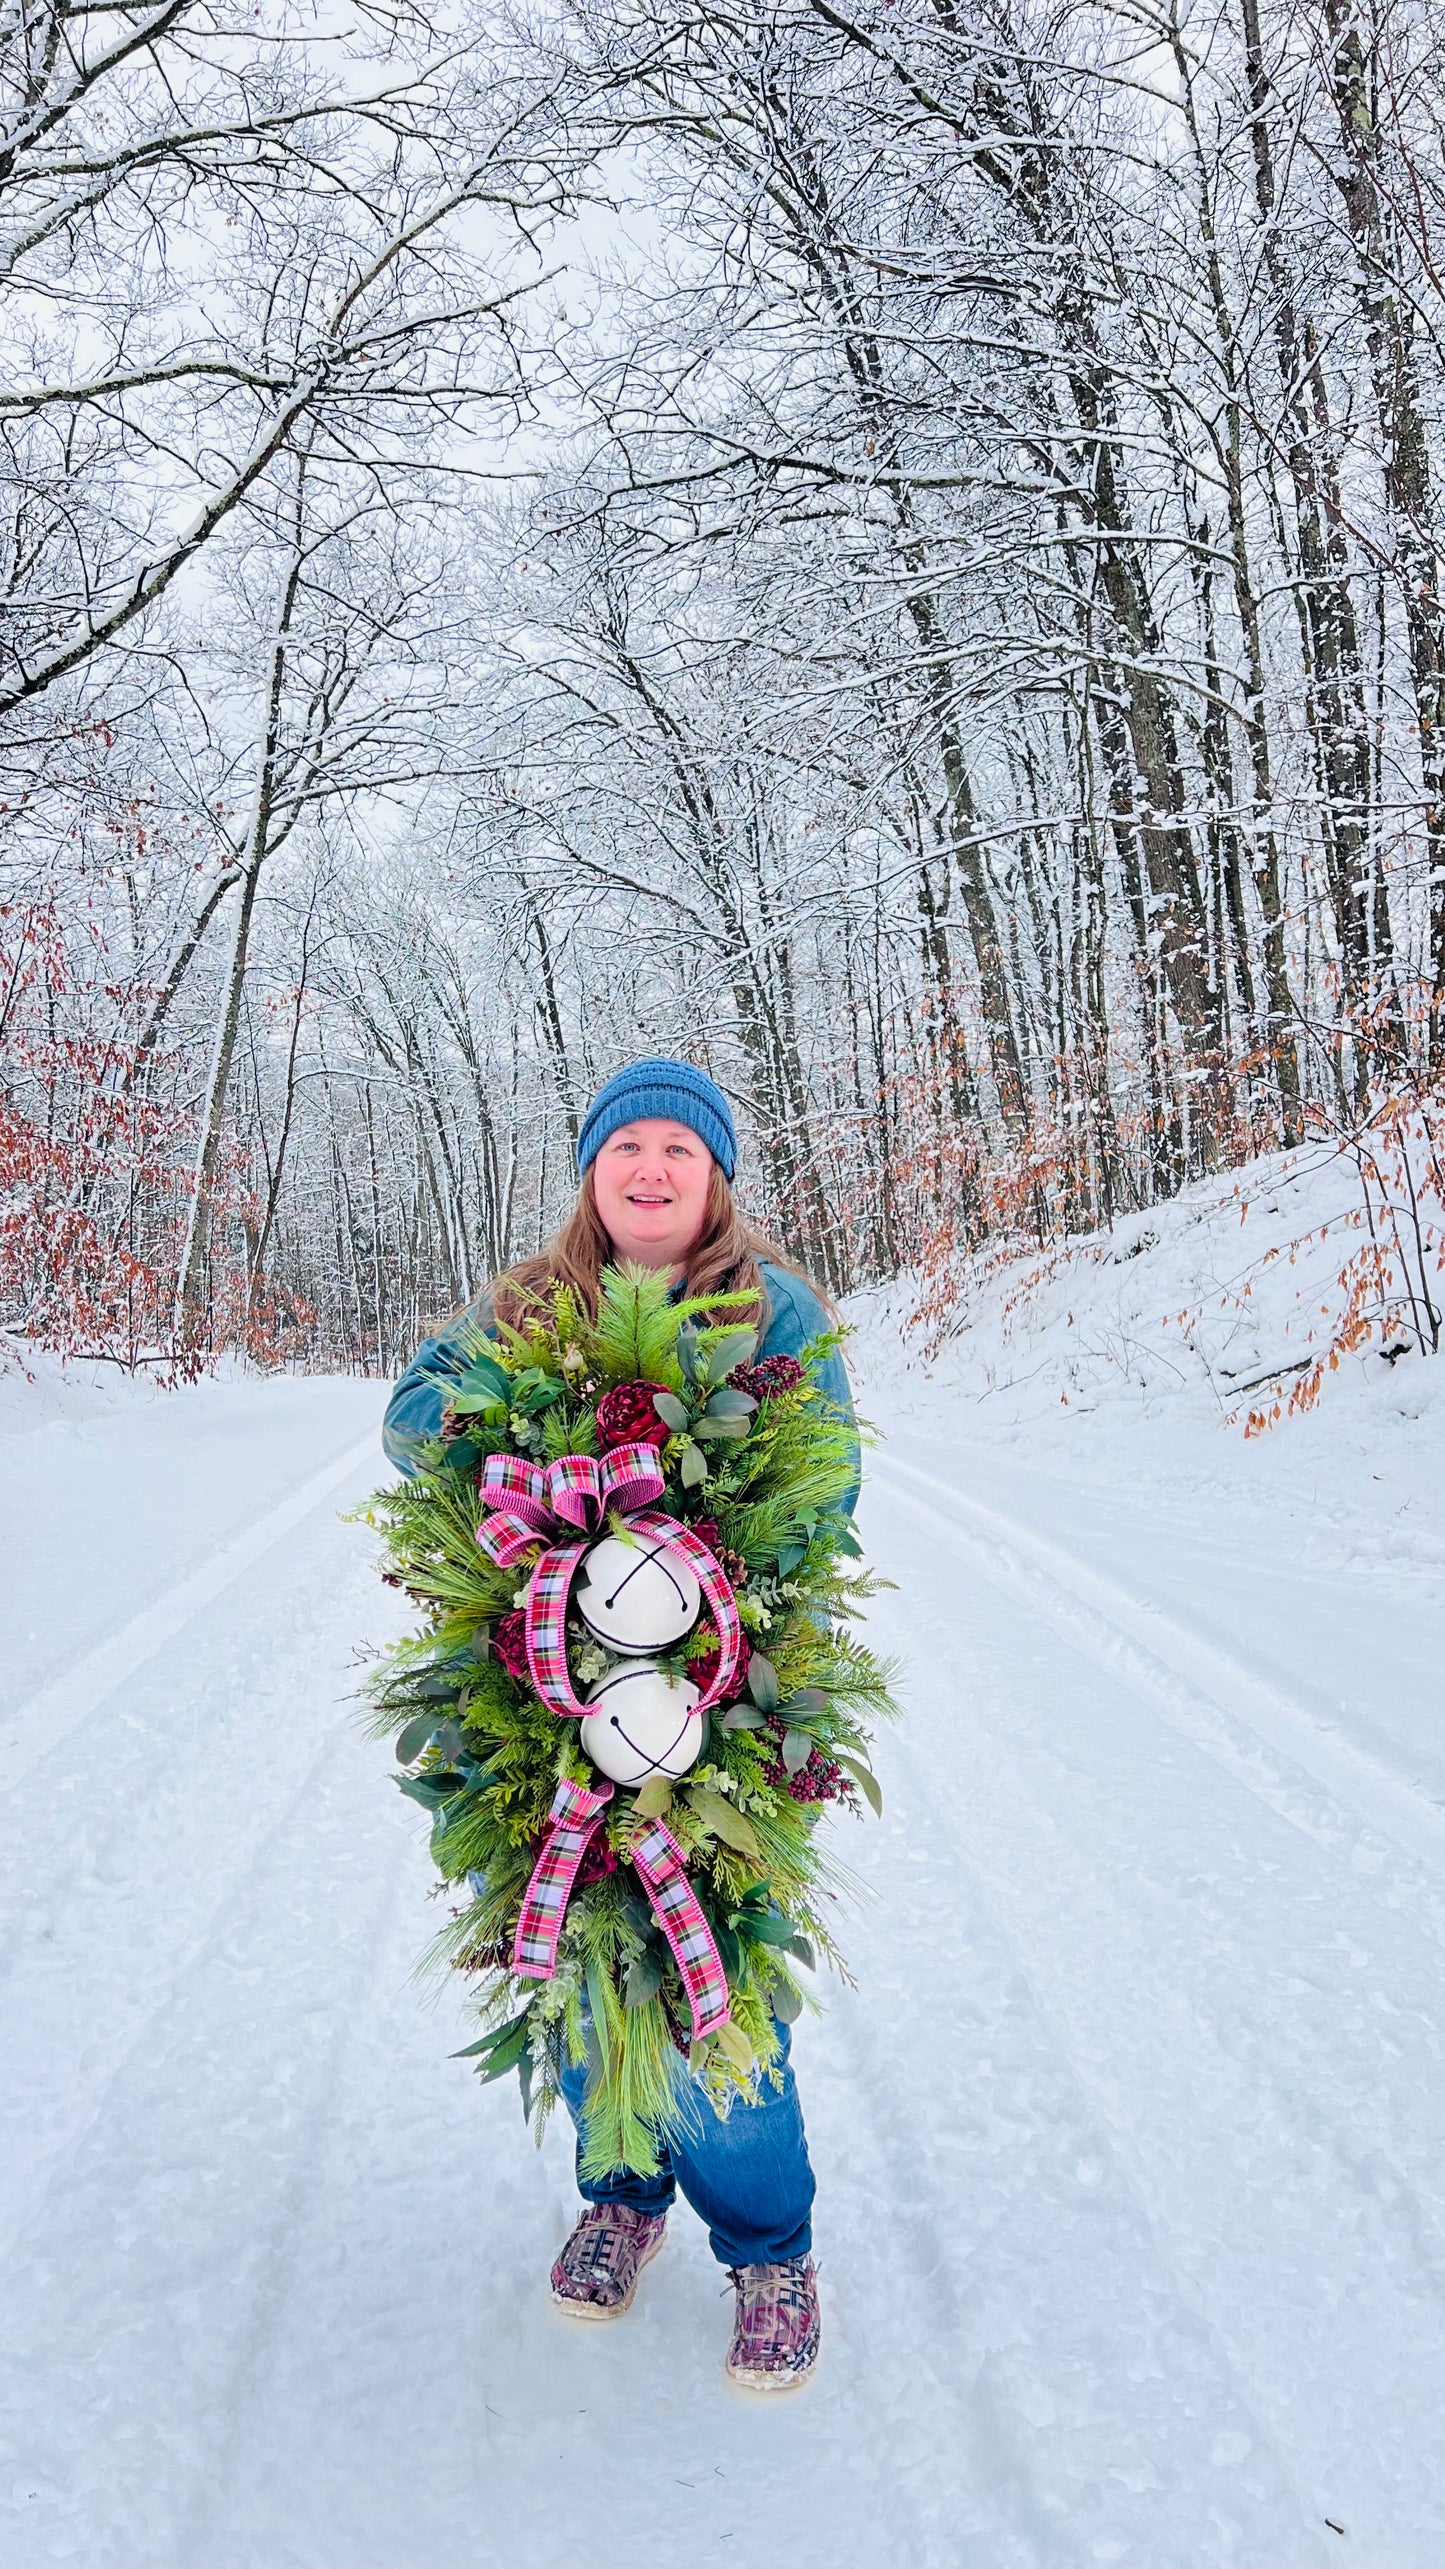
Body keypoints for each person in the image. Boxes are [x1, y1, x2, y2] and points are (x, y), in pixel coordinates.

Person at [383, 1058, 858, 2392]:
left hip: (715, 1699)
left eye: (679, 1149)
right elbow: (411, 1414)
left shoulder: (770, 1307)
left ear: (714, 1176)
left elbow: (828, 1485)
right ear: (591, 1170)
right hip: (541, 1691)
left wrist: (696, 1536)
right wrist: (538, 1453)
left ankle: (769, 2243)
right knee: (588, 1956)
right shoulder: (531, 1301)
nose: (650, 1168)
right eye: (625, 1146)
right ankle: (622, 2193)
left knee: (715, 1973)